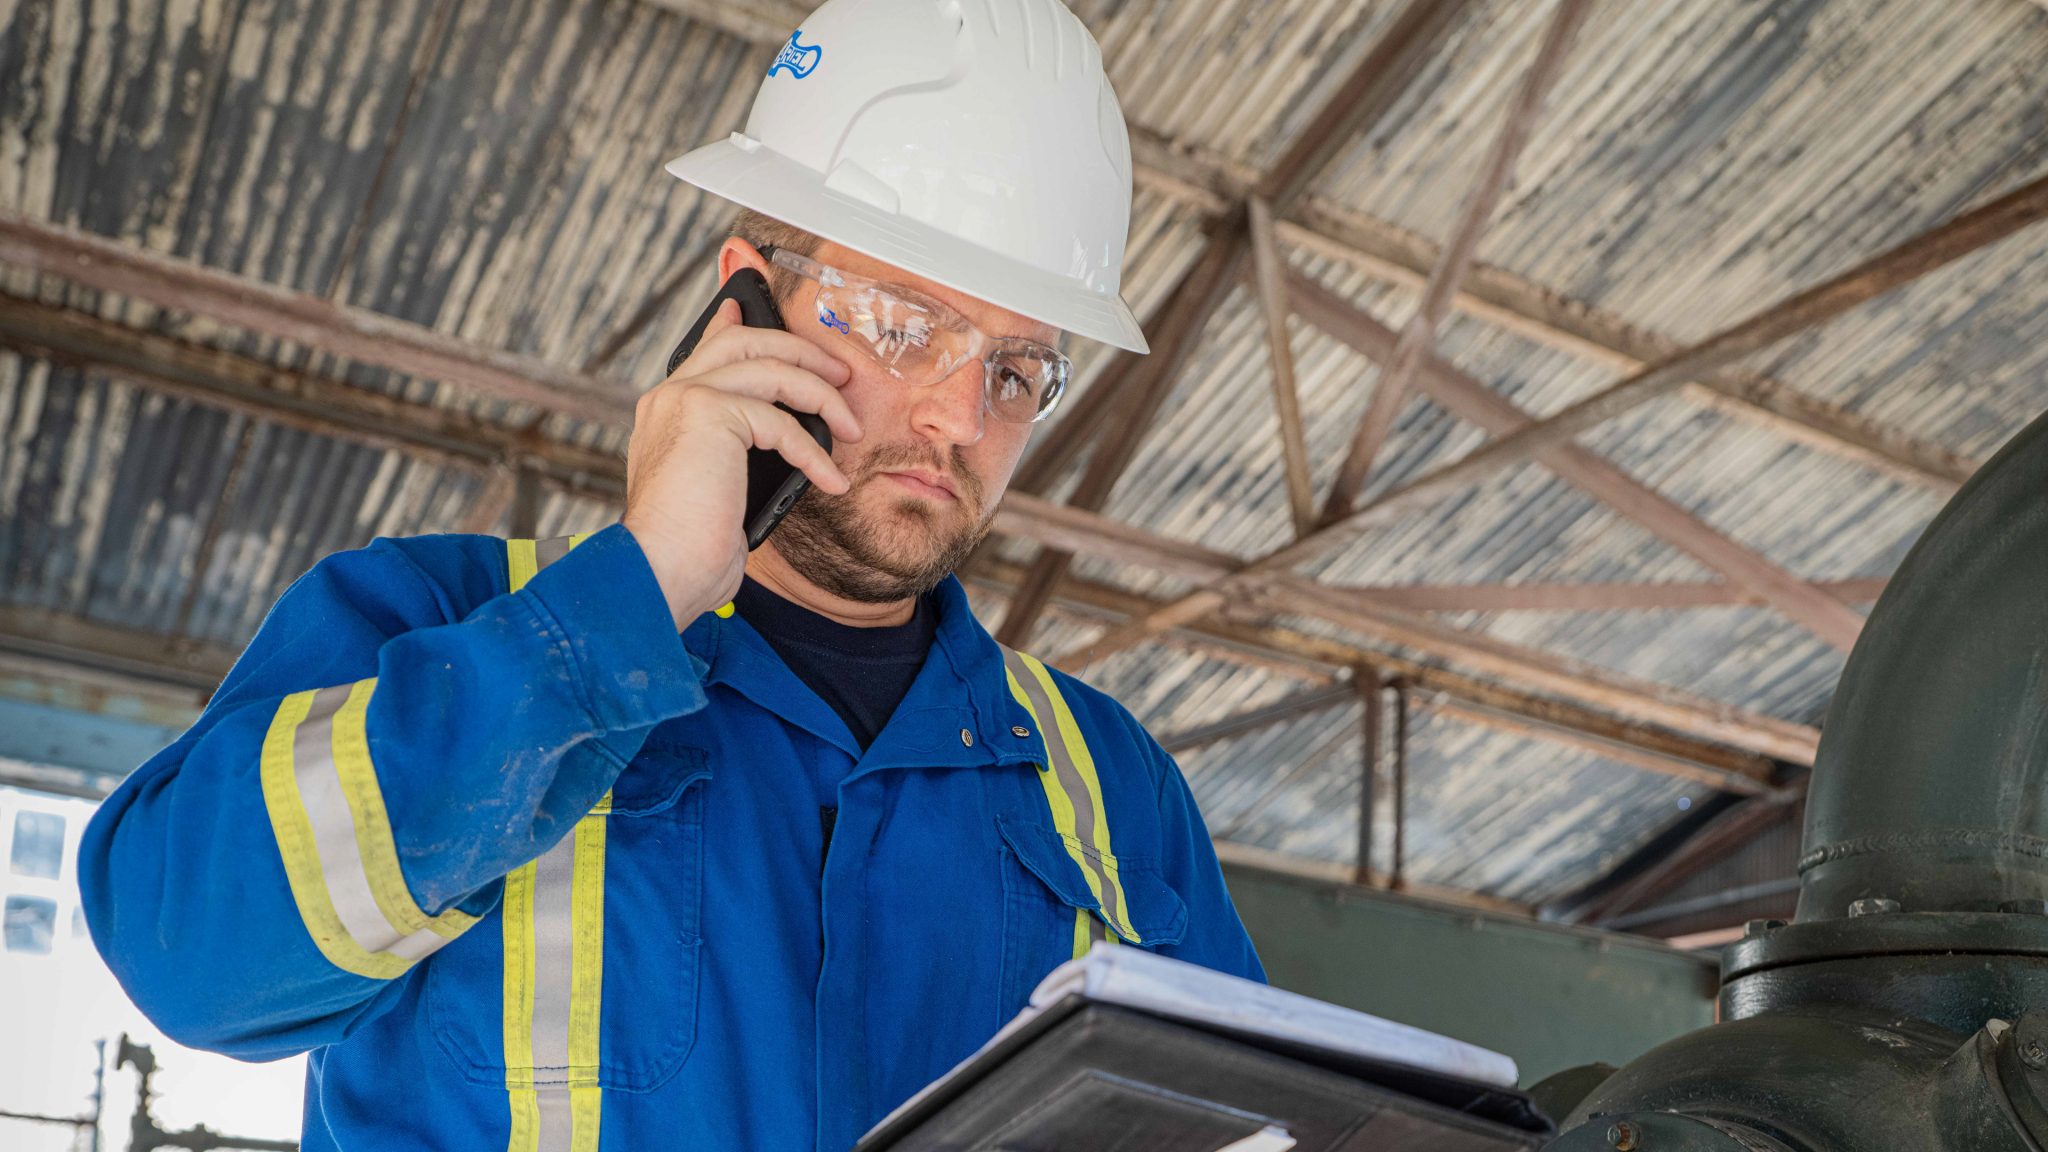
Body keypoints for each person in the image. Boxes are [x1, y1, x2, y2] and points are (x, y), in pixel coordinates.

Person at [78, 0, 1263, 1148]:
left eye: (1015, 371)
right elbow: (187, 955)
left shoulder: (1109, 786)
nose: (959, 416)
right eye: (904, 323)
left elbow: (1246, 1122)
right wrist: (635, 594)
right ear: (745, 296)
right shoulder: (429, 618)